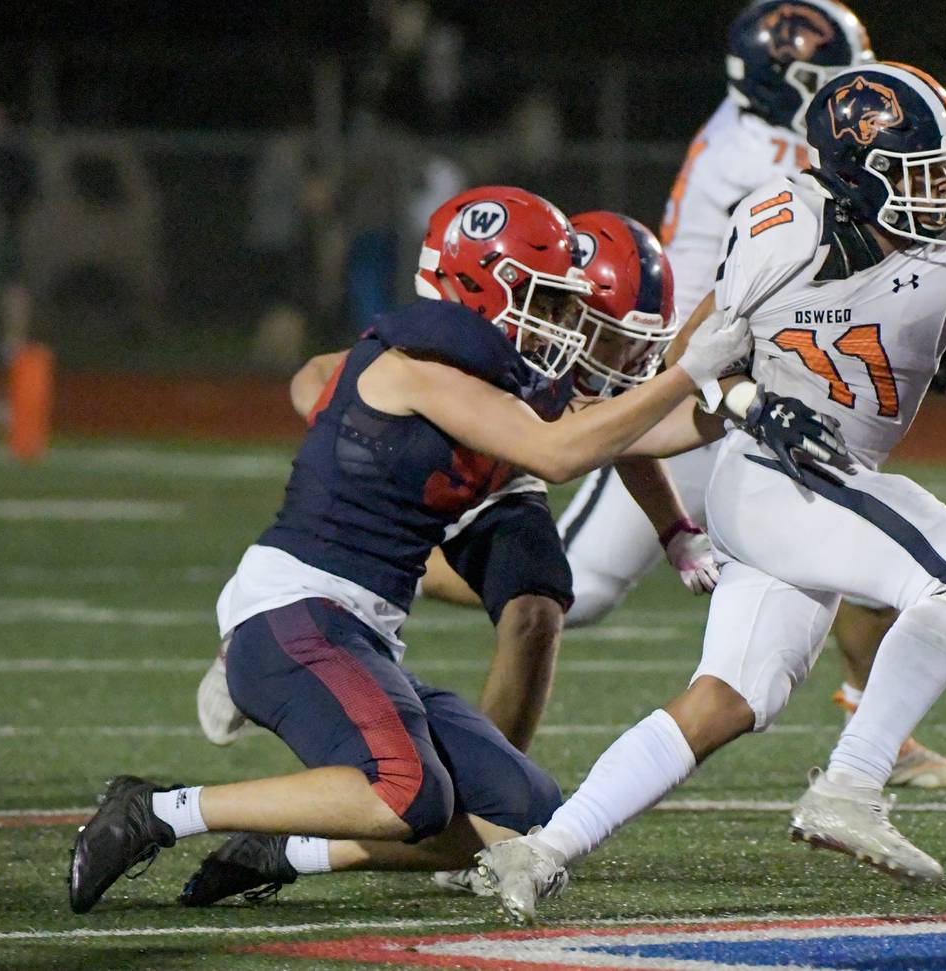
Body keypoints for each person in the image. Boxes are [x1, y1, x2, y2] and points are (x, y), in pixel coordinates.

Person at [474, 62, 946, 923]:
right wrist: (756, 404)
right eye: (920, 172)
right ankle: (852, 784)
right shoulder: (786, 227)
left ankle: (543, 848)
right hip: (774, 472)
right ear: (857, 173)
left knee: (728, 700)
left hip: (814, 481)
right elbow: (700, 366)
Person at [66, 185, 836, 914]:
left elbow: (633, 431)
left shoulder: (488, 374)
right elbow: (563, 453)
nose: (560, 317)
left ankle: (289, 845)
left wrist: (751, 397)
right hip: (294, 608)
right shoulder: (425, 368)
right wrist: (687, 376)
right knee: (408, 792)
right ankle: (159, 809)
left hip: (364, 630)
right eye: (543, 294)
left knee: (532, 821)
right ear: (482, 286)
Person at [554, 0, 946, 790]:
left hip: (754, 366)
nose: (855, 92)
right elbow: (744, 312)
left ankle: (878, 729)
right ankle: (382, 570)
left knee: (877, 537)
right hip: (693, 371)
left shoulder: (756, 123)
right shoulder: (760, 165)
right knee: (568, 586)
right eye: (831, 80)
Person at [195, 209, 712, 756]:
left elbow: (623, 433)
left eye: (638, 347)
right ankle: (274, 626)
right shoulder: (476, 342)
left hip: (498, 482)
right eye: (613, 342)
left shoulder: (567, 359)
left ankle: (494, 786)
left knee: (539, 606)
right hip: (425, 480)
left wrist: (674, 527)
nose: (625, 363)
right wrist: (365, 450)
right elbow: (319, 376)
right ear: (565, 307)